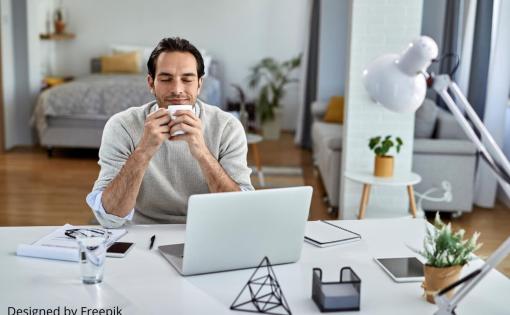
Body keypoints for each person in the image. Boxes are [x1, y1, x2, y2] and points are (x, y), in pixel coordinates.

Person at [86, 37, 253, 227]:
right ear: (151, 83)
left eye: (187, 79)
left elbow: (240, 210)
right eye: (166, 79)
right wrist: (143, 152)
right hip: (142, 232)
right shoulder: (122, 126)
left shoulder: (227, 127)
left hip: (209, 229)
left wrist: (202, 153)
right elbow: (109, 216)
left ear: (199, 84)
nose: (177, 89)